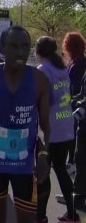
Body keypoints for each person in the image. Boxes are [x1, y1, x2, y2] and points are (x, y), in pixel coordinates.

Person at [0, 26, 51, 223]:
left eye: (25, 46)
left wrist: (44, 155)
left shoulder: (39, 80)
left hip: (25, 166)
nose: (20, 52)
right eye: (14, 46)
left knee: (27, 219)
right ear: (2, 48)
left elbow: (46, 124)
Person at [35, 36, 80, 223]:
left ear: (38, 52)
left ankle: (40, 216)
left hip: (51, 130)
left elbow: (44, 101)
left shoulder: (42, 70)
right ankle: (72, 213)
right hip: (67, 125)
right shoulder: (63, 67)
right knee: (61, 169)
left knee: (43, 173)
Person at [61, 32, 86, 175]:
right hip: (76, 105)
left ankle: (72, 166)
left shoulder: (77, 65)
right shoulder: (78, 62)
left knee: (74, 139)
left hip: (76, 107)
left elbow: (75, 89)